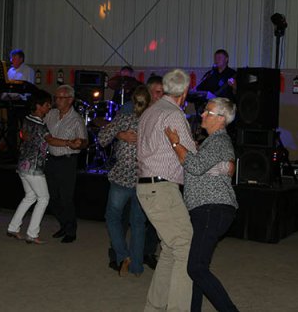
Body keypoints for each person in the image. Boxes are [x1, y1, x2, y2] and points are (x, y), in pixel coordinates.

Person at [165, 97, 239, 312]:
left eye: (208, 112)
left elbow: (195, 167)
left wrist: (175, 143)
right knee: (198, 267)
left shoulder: (219, 141)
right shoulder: (212, 142)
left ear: (221, 119)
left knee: (196, 268)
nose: (203, 115)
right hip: (207, 209)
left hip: (212, 209)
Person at [136, 68, 197, 312]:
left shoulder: (150, 111)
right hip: (162, 188)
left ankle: (154, 307)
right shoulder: (174, 114)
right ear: (185, 91)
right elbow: (190, 156)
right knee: (185, 245)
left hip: (148, 186)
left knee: (171, 248)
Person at [6, 90, 74, 244]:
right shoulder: (40, 124)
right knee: (43, 198)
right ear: (38, 106)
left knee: (30, 196)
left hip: (23, 165)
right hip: (33, 167)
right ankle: (32, 233)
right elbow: (51, 140)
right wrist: (69, 142)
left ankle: (13, 227)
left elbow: (24, 135)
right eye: (47, 105)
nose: (50, 107)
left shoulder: (26, 119)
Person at [100, 86, 151, 276]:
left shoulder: (122, 119)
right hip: (143, 178)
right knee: (138, 223)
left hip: (122, 176)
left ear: (131, 101)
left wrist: (117, 133)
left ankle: (123, 255)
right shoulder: (152, 122)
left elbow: (102, 139)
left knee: (112, 217)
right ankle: (137, 267)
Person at [44, 85, 88, 244]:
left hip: (67, 161)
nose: (57, 100)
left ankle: (70, 230)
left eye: (60, 98)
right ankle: (64, 224)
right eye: (56, 97)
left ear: (70, 100)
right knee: (51, 197)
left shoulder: (76, 120)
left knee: (66, 198)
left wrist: (79, 143)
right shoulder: (51, 114)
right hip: (51, 160)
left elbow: (84, 142)